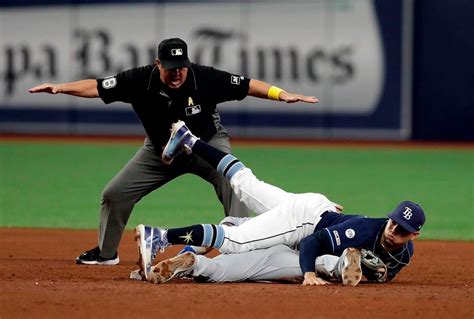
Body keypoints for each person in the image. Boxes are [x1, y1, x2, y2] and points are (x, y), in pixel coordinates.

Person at [28, 38, 319, 265]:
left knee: (235, 184)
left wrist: (280, 94)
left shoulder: (203, 77)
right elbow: (97, 86)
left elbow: (245, 84)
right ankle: (106, 254)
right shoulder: (139, 80)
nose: (177, 73)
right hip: (160, 152)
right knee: (115, 193)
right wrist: (60, 87)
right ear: (158, 64)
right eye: (170, 67)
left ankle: (242, 250)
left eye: (181, 66)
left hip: (206, 146)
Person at [134, 120, 426, 285]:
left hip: (312, 208)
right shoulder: (365, 231)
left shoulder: (405, 253)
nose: (393, 229)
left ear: (413, 235)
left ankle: (189, 139)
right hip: (304, 221)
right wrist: (309, 274)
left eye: (401, 230)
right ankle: (159, 236)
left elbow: (388, 269)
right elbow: (314, 242)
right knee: (236, 241)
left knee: (245, 184)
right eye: (393, 222)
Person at [131, 216, 365, 286]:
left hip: (244, 240)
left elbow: (221, 230)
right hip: (279, 251)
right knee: (311, 263)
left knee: (215, 266)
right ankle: (341, 262)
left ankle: (192, 262)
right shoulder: (289, 216)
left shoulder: (249, 220)